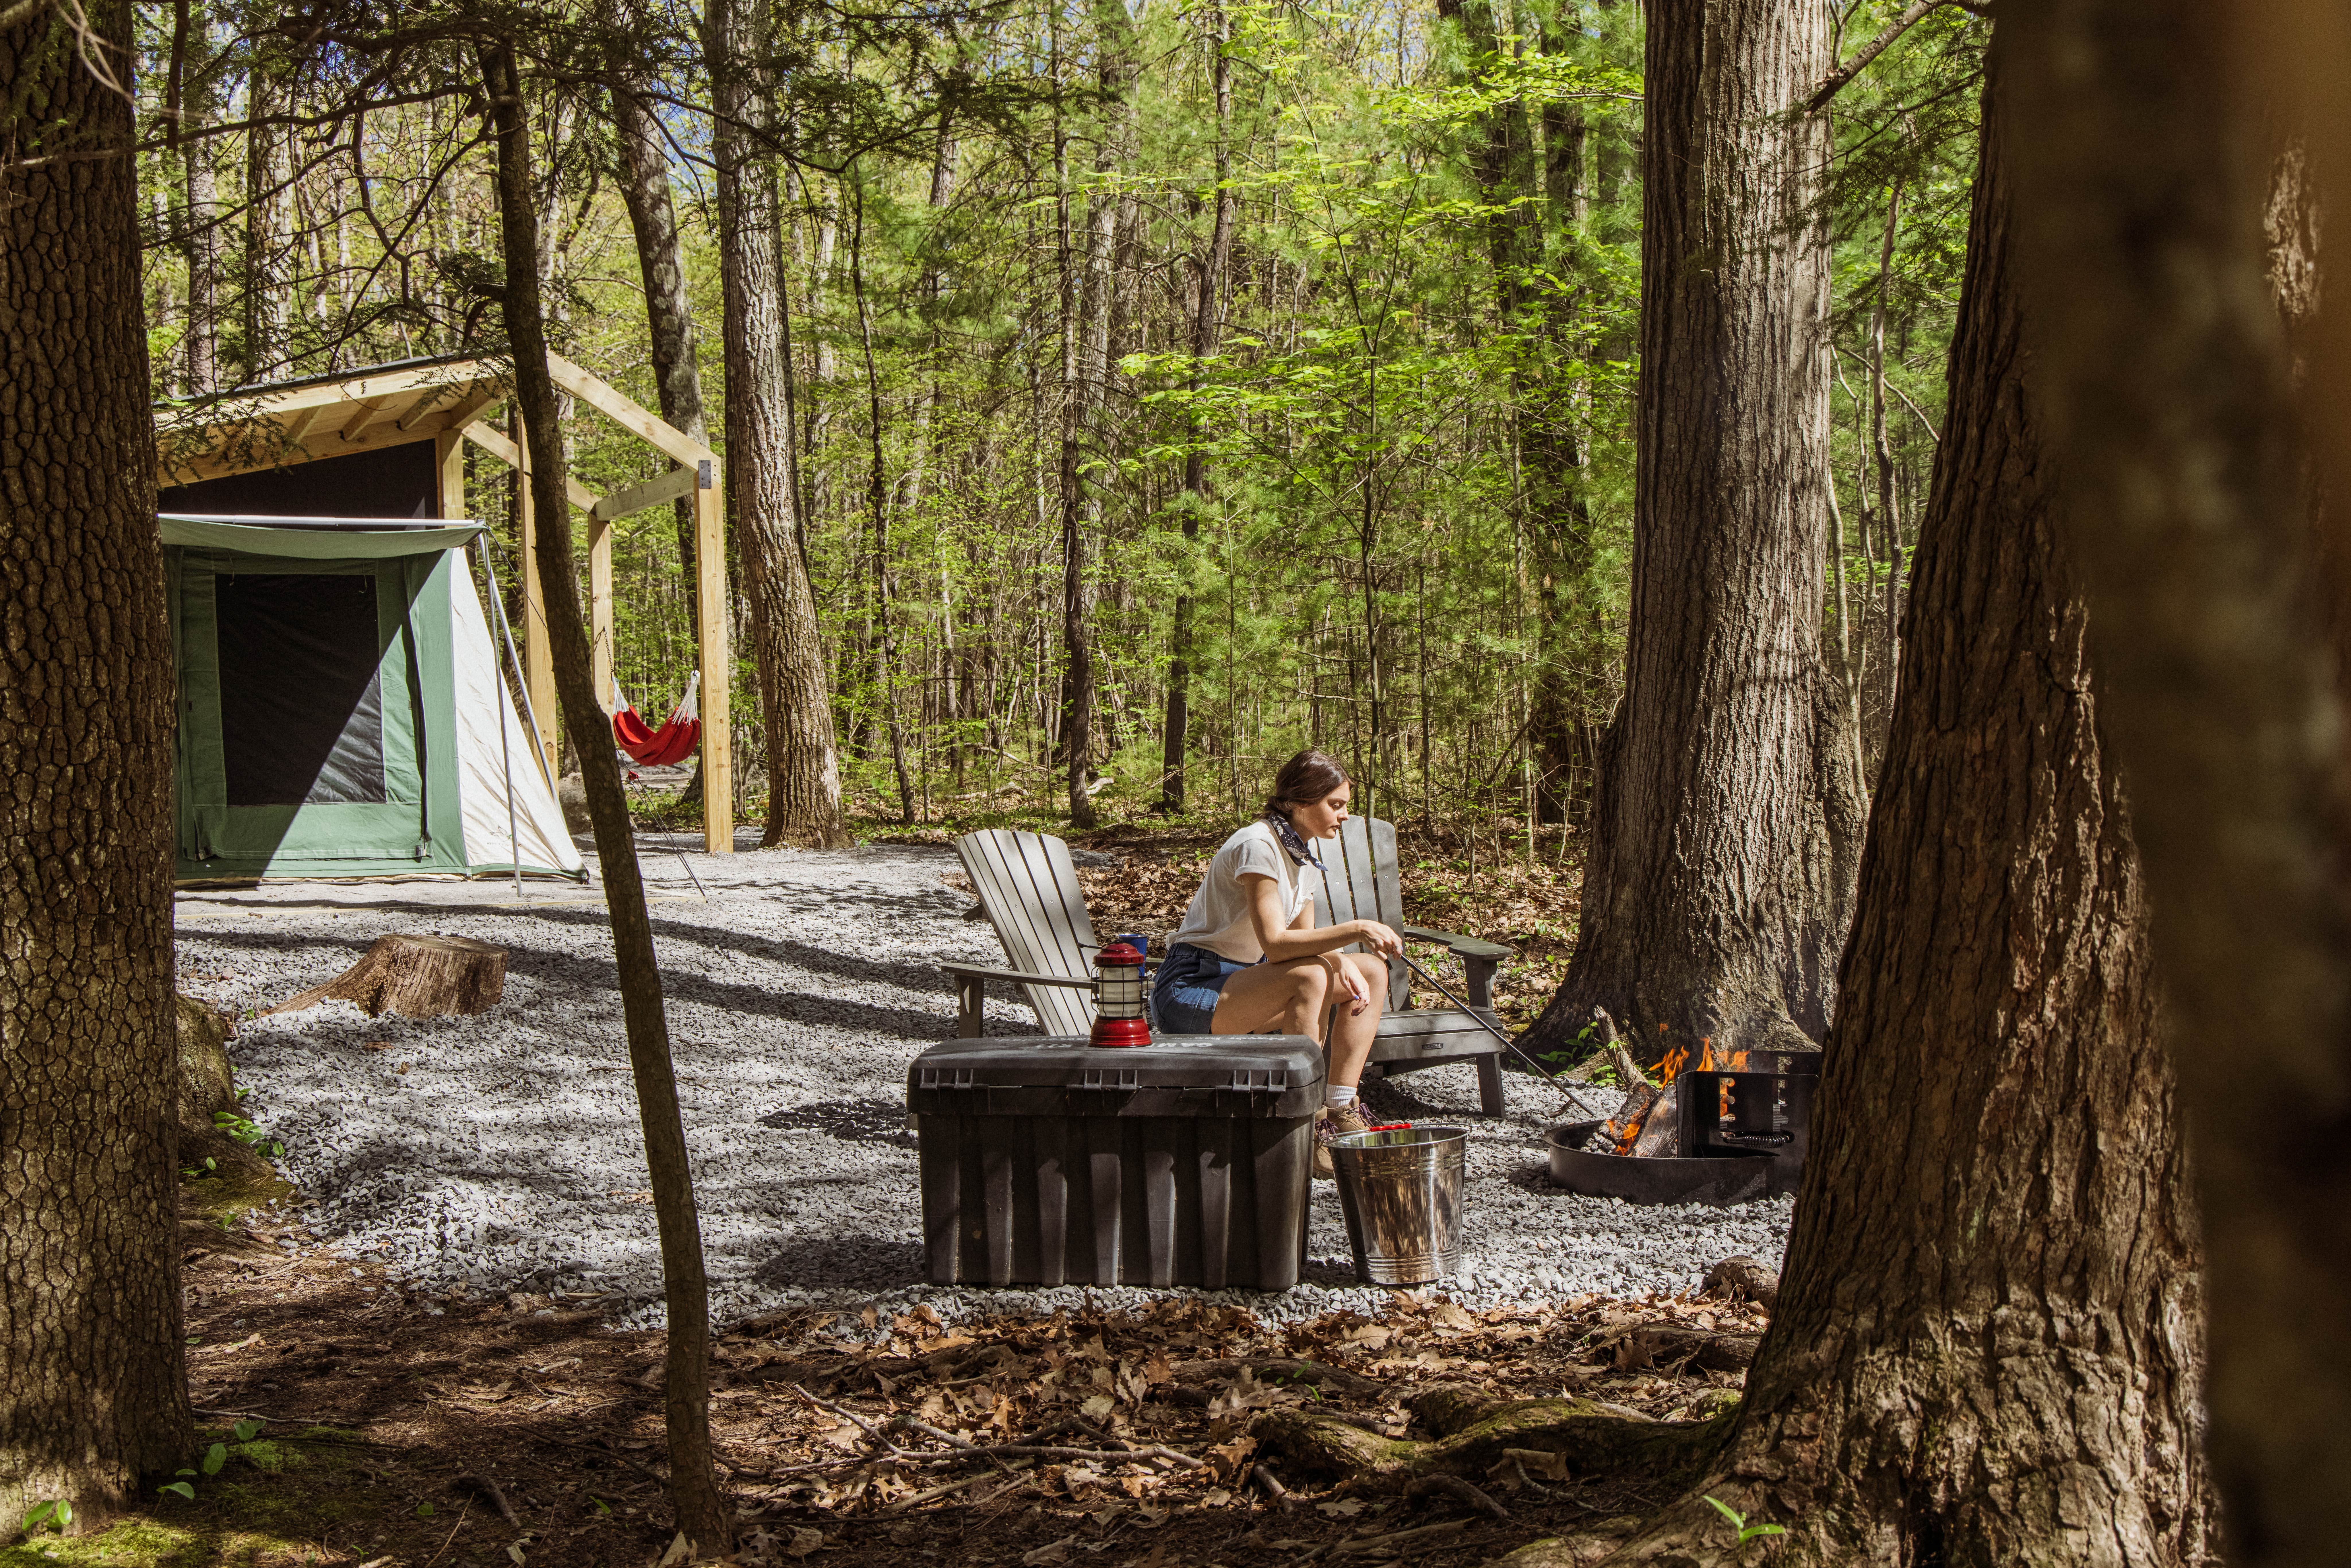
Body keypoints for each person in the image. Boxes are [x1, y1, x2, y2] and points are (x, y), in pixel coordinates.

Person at [1152, 749, 1400, 1175]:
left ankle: (1341, 1108)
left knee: (1371, 973)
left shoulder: (1302, 856)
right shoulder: (1258, 845)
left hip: (1244, 984)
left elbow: (1306, 941)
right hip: (1193, 988)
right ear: (1300, 801)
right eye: (1335, 805)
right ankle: (1306, 1123)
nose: (1343, 816)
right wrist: (1357, 928)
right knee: (1309, 977)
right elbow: (1279, 944)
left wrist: (1343, 960)